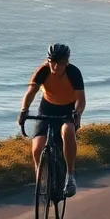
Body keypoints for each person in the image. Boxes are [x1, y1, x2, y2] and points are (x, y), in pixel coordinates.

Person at [17, 43, 85, 197]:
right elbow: (30, 93)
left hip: (68, 109)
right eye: (52, 62)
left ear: (66, 62)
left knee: (68, 131)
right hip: (47, 107)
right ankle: (41, 178)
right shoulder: (43, 71)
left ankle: (70, 177)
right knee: (37, 147)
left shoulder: (73, 72)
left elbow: (81, 100)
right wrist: (23, 111)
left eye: (60, 63)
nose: (55, 67)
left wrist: (78, 113)